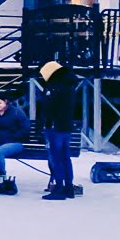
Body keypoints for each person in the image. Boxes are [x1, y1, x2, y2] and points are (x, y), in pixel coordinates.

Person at [40, 61, 81, 200]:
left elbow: (48, 107)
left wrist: (45, 122)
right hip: (66, 126)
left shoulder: (54, 87)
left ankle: (58, 188)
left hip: (54, 126)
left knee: (55, 157)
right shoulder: (69, 86)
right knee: (65, 157)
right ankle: (68, 187)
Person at [0, 95, 29, 192]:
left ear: (6, 102)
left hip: (15, 142)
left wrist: (11, 136)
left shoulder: (16, 112)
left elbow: (25, 129)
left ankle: (2, 174)